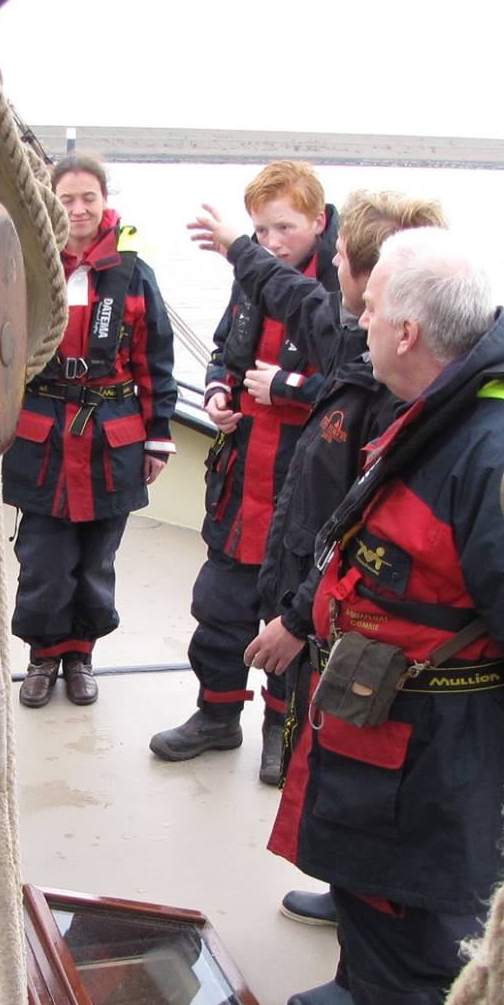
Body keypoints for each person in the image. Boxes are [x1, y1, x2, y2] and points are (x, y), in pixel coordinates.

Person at [253, 229, 504, 1005]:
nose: (352, 323)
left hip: (436, 788)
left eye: (367, 313)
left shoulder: (495, 451)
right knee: (393, 980)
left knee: (423, 997)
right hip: (390, 775)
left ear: (407, 333)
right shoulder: (435, 416)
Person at [188, 190, 450, 1005]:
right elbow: (287, 288)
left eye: (339, 258)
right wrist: (238, 248)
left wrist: (298, 618)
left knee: (364, 792)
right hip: (321, 606)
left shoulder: (394, 382)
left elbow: (362, 525)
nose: (328, 262)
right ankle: (348, 898)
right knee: (334, 778)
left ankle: (364, 968)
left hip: (355, 629)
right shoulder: (351, 337)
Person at [154, 160, 339, 767]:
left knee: (290, 618)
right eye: (259, 232)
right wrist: (216, 393)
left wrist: (286, 387)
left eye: (284, 229)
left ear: (318, 220)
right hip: (240, 483)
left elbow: (361, 390)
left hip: (301, 489)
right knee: (219, 606)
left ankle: (280, 736)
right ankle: (216, 717)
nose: (270, 244)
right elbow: (222, 354)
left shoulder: (342, 289)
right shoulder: (252, 281)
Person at [3, 152, 177, 706]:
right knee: (45, 562)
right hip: (44, 438)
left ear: (105, 201)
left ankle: (81, 656)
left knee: (97, 562)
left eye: (88, 198)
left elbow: (155, 359)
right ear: (49, 202)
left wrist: (158, 434)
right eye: (66, 199)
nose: (77, 210)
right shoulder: (29, 267)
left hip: (112, 440)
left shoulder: (132, 273)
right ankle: (42, 656)